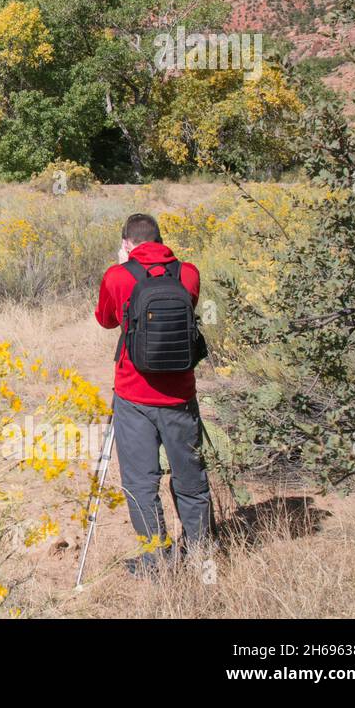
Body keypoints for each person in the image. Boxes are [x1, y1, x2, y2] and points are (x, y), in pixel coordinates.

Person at [94, 212, 213, 575]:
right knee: (190, 479)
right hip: (180, 396)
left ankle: (157, 562)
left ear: (127, 243)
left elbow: (106, 319)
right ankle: (200, 556)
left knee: (140, 483)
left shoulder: (117, 276)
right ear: (160, 241)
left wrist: (124, 266)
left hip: (133, 396)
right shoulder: (187, 273)